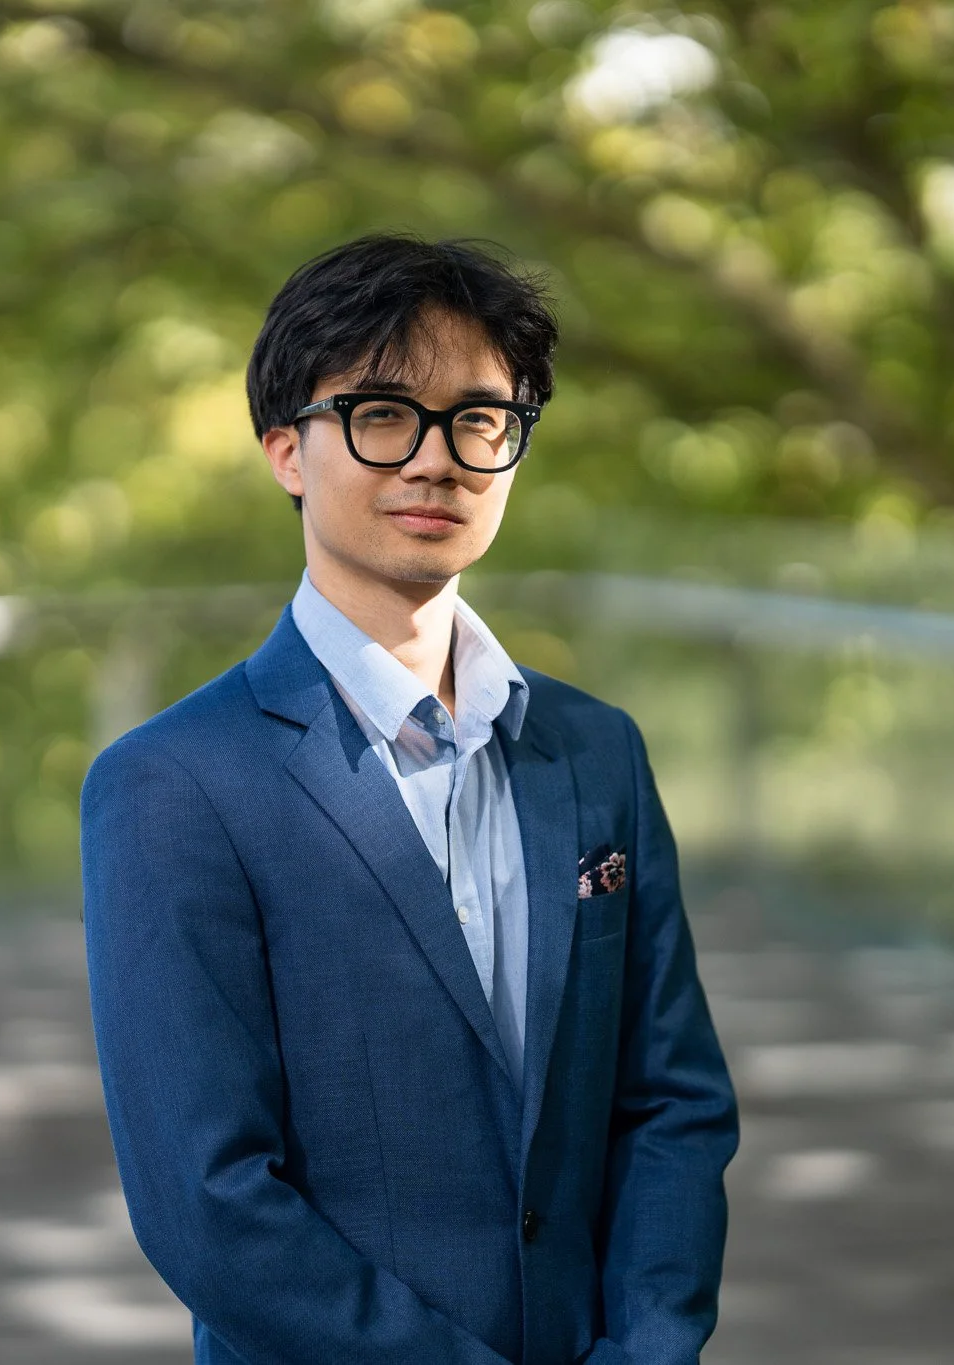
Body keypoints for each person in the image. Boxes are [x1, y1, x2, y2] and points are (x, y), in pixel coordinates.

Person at [80, 233, 737, 1364]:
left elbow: (668, 1105)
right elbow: (209, 1198)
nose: (437, 460)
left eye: (479, 420)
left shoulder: (596, 754)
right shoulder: (174, 784)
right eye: (383, 414)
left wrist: (646, 1349)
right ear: (288, 450)